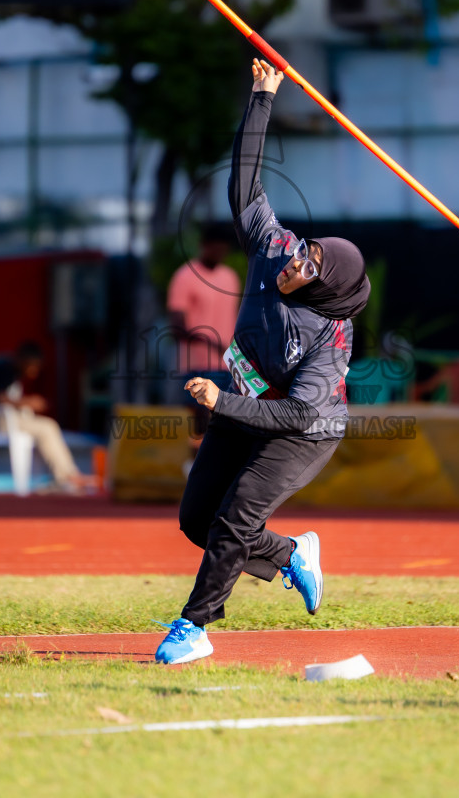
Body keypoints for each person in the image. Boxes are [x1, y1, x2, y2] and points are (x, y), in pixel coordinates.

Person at [155, 58, 371, 665]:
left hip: (303, 431)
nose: (298, 260)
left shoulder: (332, 336)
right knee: (198, 520)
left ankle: (194, 627)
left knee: (232, 518)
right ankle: (292, 555)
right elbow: (244, 186)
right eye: (308, 249)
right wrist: (261, 95)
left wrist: (222, 401)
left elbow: (302, 409)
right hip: (246, 405)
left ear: (328, 288)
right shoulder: (273, 246)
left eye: (312, 265)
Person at [0, 341, 93, 492]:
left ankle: (62, 476)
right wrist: (28, 402)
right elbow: (1, 399)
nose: (35, 371)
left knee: (45, 427)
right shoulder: (4, 370)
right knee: (47, 427)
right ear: (22, 361)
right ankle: (67, 476)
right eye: (33, 366)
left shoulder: (12, 373)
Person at [166, 223, 240, 440]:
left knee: (223, 424)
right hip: (196, 365)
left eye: (223, 248)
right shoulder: (185, 276)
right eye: (215, 247)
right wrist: (210, 342)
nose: (220, 252)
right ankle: (195, 469)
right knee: (200, 425)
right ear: (204, 246)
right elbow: (177, 328)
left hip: (227, 364)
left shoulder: (230, 277)